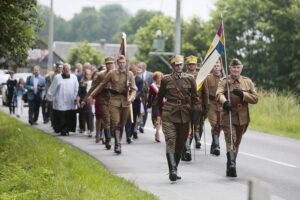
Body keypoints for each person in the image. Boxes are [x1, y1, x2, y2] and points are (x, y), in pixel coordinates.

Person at [153, 55, 201, 181]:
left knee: (180, 144)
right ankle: (172, 170)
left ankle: (175, 168)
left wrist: (197, 111)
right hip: (169, 113)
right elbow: (159, 97)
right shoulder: (166, 79)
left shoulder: (190, 79)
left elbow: (195, 98)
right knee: (170, 140)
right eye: (176, 65)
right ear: (172, 66)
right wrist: (155, 113)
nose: (179, 66)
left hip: (184, 115)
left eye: (180, 64)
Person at [216, 58, 258, 177]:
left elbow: (255, 98)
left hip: (243, 116)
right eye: (233, 68)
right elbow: (218, 94)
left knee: (237, 142)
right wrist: (225, 102)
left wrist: (244, 95)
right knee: (231, 139)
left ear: (241, 68)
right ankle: (232, 165)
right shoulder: (224, 81)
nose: (235, 70)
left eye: (238, 67)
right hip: (228, 114)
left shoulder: (247, 82)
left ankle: (230, 163)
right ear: (230, 68)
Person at [86, 55, 137, 154]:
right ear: (117, 63)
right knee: (115, 123)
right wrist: (92, 95)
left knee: (121, 125)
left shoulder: (129, 74)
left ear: (126, 63)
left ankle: (118, 141)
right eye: (120, 62)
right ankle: (117, 144)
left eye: (123, 62)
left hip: (125, 101)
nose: (122, 64)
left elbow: (134, 89)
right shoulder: (112, 73)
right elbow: (101, 85)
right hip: (113, 100)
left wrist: (131, 97)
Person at [181, 55, 209, 161]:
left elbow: (205, 92)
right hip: (184, 106)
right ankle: (187, 150)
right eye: (189, 64)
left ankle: (186, 149)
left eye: (193, 64)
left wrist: (206, 106)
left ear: (196, 65)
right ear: (187, 65)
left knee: (193, 128)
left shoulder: (201, 76)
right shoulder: (182, 76)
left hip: (197, 107)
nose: (191, 66)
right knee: (186, 128)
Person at [47, 63, 79, 136]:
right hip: (60, 100)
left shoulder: (74, 77)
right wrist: (50, 98)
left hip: (70, 100)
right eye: (65, 69)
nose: (67, 71)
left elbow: (76, 88)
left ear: (70, 70)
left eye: (68, 69)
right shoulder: (58, 77)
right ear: (63, 70)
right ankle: (62, 129)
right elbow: (52, 88)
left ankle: (67, 129)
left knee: (69, 116)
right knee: (61, 116)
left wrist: (75, 97)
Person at [206, 58, 223, 156]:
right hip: (211, 104)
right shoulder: (208, 78)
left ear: (221, 66)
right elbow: (204, 92)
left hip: (221, 104)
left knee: (219, 125)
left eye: (218, 66)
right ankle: (217, 145)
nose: (216, 67)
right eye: (215, 66)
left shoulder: (225, 78)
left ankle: (213, 145)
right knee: (214, 124)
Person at [125, 64, 143, 143]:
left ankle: (131, 134)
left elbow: (139, 91)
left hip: (135, 102)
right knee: (127, 119)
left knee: (133, 118)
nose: (133, 71)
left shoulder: (139, 79)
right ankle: (128, 135)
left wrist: (133, 97)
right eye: (132, 70)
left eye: (134, 70)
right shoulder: (126, 78)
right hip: (126, 101)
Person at [77, 68, 94, 137]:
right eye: (86, 74)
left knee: (89, 115)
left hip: (89, 100)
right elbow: (79, 93)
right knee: (83, 115)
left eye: (89, 74)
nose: (88, 75)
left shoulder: (92, 83)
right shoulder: (81, 82)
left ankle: (90, 130)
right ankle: (83, 129)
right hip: (82, 100)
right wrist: (78, 101)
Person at [147, 71, 164, 142]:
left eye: (160, 78)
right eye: (157, 78)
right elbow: (150, 96)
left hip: (163, 104)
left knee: (160, 120)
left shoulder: (164, 86)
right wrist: (149, 104)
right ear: (155, 79)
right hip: (156, 104)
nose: (159, 79)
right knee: (158, 118)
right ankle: (158, 134)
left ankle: (157, 132)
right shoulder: (152, 86)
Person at [137, 62, 153, 133]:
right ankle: (138, 124)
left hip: (146, 96)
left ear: (144, 67)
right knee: (138, 110)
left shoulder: (151, 74)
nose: (139, 68)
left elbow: (153, 85)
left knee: (144, 110)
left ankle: (142, 125)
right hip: (138, 94)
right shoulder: (136, 74)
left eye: (140, 67)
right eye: (138, 67)